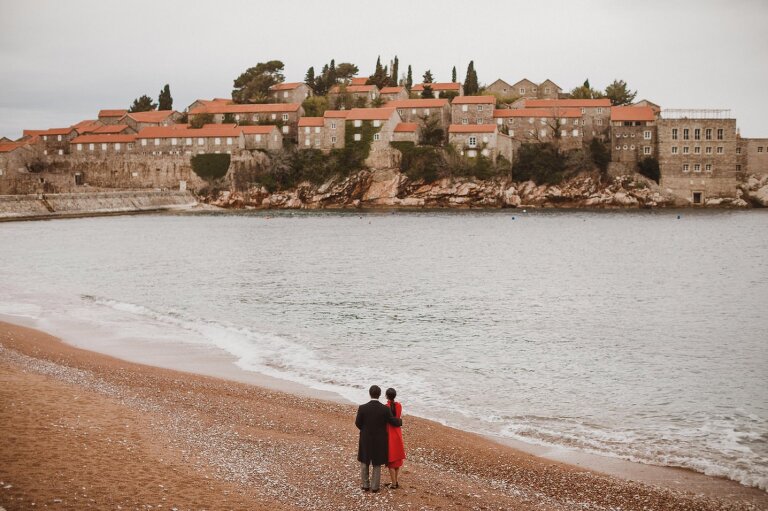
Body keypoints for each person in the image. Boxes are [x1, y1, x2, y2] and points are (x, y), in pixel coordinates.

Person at [355, 385, 402, 493]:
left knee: (364, 461)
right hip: (380, 439)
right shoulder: (385, 409)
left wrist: (366, 430)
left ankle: (365, 485)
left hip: (366, 438)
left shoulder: (362, 407)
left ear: (369, 393)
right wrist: (401, 422)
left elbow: (358, 423)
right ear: (380, 395)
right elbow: (392, 421)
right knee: (376, 463)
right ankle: (375, 487)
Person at [384, 387, 406, 489]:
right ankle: (395, 481)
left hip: (389, 432)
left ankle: (393, 484)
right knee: (397, 459)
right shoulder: (399, 406)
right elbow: (397, 416)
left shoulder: (385, 407)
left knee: (391, 460)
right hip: (397, 432)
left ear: (386, 396)